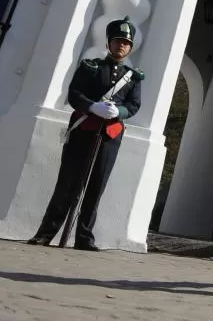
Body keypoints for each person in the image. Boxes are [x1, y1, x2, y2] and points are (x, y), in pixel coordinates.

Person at [27, 16, 143, 251]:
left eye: (126, 43)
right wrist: (93, 107)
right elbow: (75, 94)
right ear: (109, 43)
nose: (121, 46)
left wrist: (117, 111)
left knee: (95, 187)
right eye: (117, 41)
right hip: (84, 129)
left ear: (130, 48)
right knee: (68, 184)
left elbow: (133, 106)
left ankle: (84, 238)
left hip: (110, 135)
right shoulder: (91, 67)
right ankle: (45, 233)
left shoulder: (133, 78)